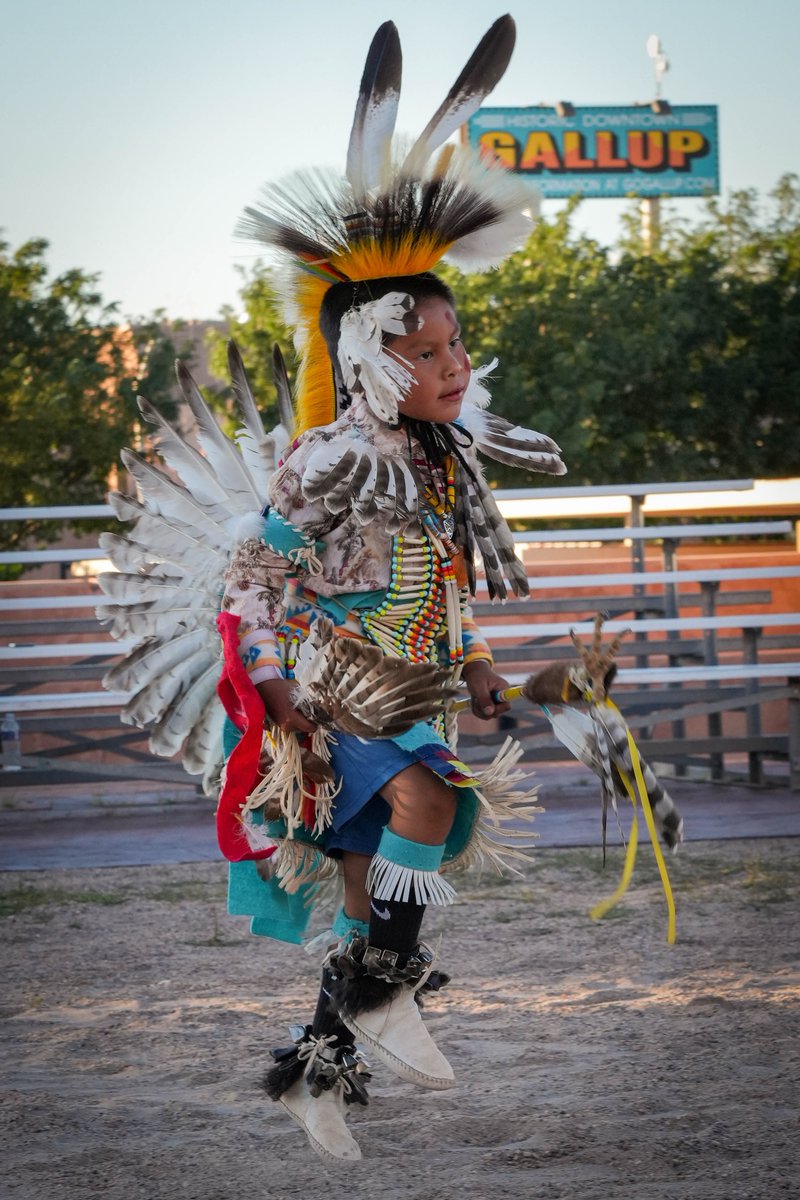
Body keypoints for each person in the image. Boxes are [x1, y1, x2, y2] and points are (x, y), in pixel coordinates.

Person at [212, 15, 581, 1163]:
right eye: (426, 352)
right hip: (334, 688)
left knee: (376, 901)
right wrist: (270, 686)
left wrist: (475, 660)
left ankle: (319, 1069)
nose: (454, 366)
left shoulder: (439, 458)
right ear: (369, 356)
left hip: (411, 685)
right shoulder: (326, 457)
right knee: (428, 805)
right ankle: (382, 998)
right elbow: (252, 573)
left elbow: (445, 576)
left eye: (457, 345)